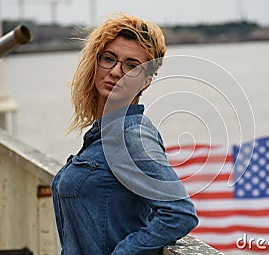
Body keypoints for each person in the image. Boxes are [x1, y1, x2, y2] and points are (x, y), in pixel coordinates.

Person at [51, 14, 199, 255]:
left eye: (132, 66)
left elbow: (180, 214)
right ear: (96, 63)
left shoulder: (133, 135)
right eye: (109, 59)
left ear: (146, 81)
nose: (117, 71)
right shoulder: (102, 135)